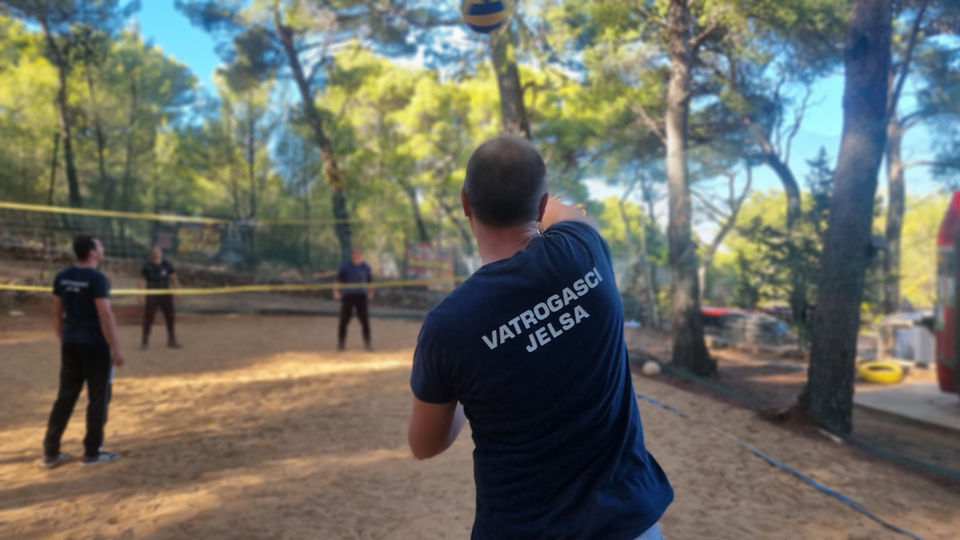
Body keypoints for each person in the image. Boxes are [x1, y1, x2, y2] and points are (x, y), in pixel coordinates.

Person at [407, 135, 673, 539]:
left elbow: (425, 443)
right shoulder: (586, 251)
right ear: (542, 203)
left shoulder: (449, 326)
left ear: (465, 203)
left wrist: (463, 382)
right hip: (629, 526)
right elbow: (570, 212)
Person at [42, 235, 126, 468]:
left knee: (65, 397)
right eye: (100, 245)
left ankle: (50, 452)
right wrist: (115, 348)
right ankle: (92, 453)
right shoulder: (97, 278)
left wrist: (63, 337)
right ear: (91, 252)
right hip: (95, 346)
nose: (103, 247)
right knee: (98, 398)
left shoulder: (63, 276)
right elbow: (105, 314)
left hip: (71, 344)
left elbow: (56, 311)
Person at [139, 245, 181, 349]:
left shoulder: (167, 264)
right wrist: (141, 295)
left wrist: (177, 291)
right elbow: (141, 280)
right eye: (154, 252)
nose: (156, 253)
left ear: (161, 253)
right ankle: (145, 341)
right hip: (152, 294)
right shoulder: (146, 266)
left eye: (158, 252)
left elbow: (173, 278)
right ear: (151, 254)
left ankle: (172, 340)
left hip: (166, 294)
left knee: (170, 316)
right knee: (148, 317)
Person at [333, 248, 374, 351]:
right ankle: (341, 344)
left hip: (361, 296)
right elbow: (337, 280)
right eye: (354, 254)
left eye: (358, 254)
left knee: (364, 321)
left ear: (361, 255)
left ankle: (367, 344)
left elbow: (370, 282)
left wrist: (370, 292)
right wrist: (336, 292)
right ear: (352, 255)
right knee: (344, 320)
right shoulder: (345, 266)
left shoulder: (366, 267)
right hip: (348, 296)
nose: (356, 256)